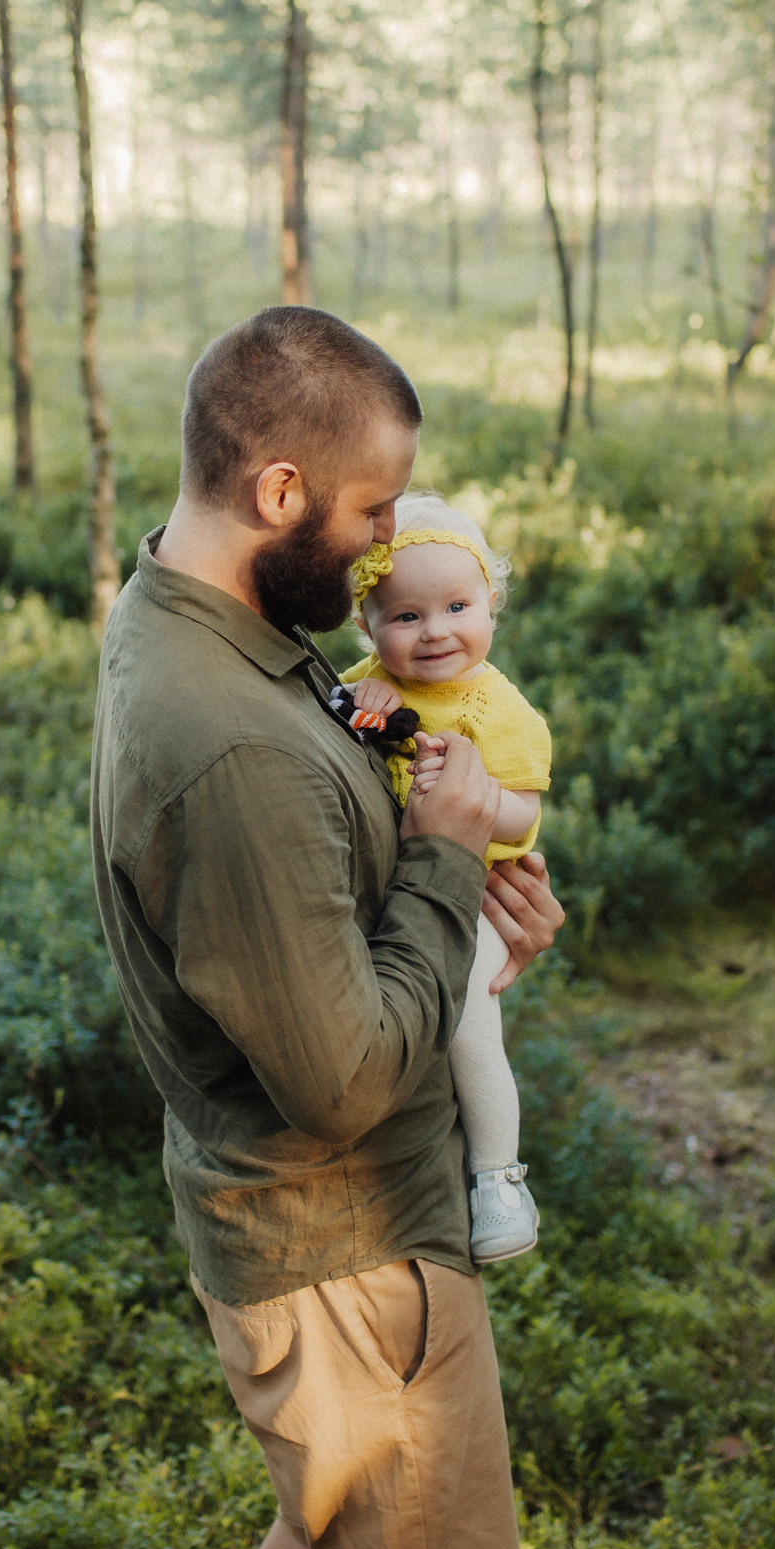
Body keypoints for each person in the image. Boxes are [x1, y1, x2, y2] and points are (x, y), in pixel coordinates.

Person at [90, 306, 566, 1549]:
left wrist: (468, 926)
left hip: (339, 1253)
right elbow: (345, 1078)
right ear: (281, 489)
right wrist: (451, 864)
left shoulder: (209, 628)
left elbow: (320, 935)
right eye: (369, 515)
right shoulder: (233, 739)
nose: (383, 550)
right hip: (352, 1263)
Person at [337, 494, 548, 1262]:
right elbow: (338, 719)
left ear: (490, 602)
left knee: (465, 1021)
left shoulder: (498, 708)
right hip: (396, 892)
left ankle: (499, 1179)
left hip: (479, 897)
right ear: (367, 623)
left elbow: (522, 817)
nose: (435, 631)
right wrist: (362, 700)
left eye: (457, 605)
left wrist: (472, 800)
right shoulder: (368, 680)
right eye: (405, 615)